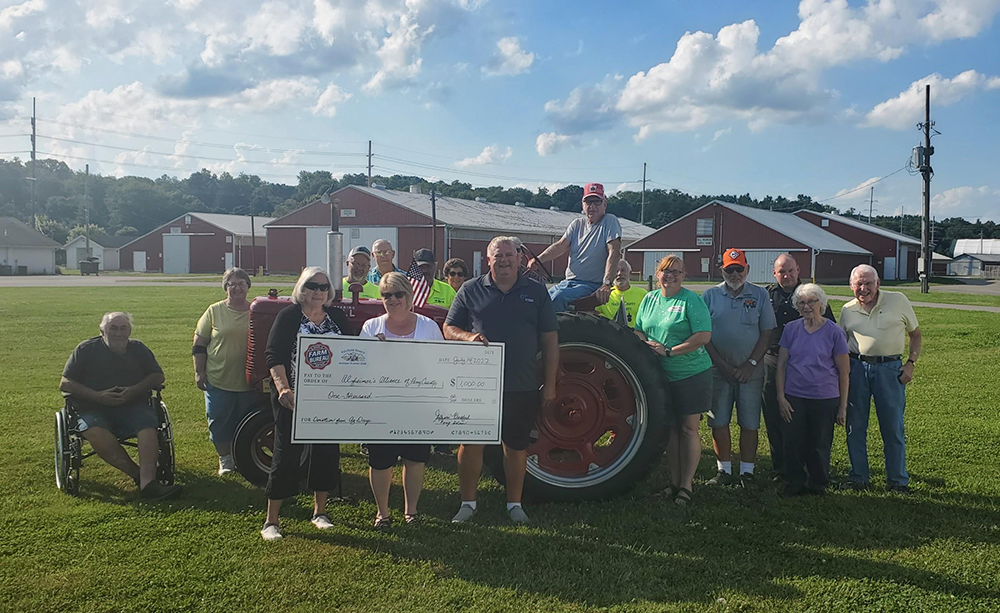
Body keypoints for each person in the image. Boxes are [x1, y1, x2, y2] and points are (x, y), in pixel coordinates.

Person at [445, 236, 559, 524]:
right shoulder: (471, 289)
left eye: (510, 255)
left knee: (516, 446)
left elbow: (550, 341)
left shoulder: (536, 291)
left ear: (520, 258)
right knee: (471, 444)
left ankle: (514, 504)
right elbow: (448, 327)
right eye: (498, 256)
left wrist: (551, 384)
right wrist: (468, 336)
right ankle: (468, 503)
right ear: (488, 259)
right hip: (478, 385)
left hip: (521, 383)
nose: (504, 260)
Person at [261, 266, 354, 541]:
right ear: (302, 288)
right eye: (313, 286)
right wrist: (282, 388)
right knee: (286, 453)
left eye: (323, 287)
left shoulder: (336, 316)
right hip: (293, 397)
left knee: (326, 452)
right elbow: (273, 355)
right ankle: (272, 521)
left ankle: (320, 512)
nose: (318, 292)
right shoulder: (289, 316)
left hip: (329, 398)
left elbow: (351, 351)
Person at [60, 312, 181, 500]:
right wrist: (98, 396)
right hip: (93, 407)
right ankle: (136, 474)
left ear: (129, 331)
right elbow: (65, 383)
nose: (118, 333)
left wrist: (133, 390)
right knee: (93, 430)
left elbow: (158, 376)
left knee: (147, 425)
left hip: (133, 406)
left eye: (123, 328)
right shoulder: (85, 350)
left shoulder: (138, 349)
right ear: (102, 331)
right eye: (112, 328)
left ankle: (148, 484)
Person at [359, 272, 443, 529]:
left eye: (398, 294)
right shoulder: (371, 328)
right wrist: (375, 351)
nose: (392, 299)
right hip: (381, 406)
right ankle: (382, 514)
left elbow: (440, 364)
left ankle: (411, 512)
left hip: (418, 405)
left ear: (409, 296)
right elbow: (359, 367)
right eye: (386, 295)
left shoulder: (429, 326)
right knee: (381, 461)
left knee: (415, 460)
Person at [633, 255, 712, 505]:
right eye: (666, 272)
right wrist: (645, 346)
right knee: (670, 431)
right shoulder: (650, 299)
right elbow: (639, 329)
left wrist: (669, 351)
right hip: (659, 375)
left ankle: (687, 486)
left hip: (690, 373)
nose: (670, 276)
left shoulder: (691, 300)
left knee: (688, 429)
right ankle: (674, 483)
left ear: (683, 276)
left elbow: (703, 336)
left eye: (676, 272)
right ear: (658, 275)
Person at [840, 264, 921, 494]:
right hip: (856, 369)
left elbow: (915, 334)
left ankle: (897, 481)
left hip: (890, 369)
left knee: (892, 427)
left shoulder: (898, 300)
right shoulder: (847, 309)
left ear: (878, 284)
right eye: (858, 284)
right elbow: (839, 343)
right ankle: (859, 478)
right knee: (855, 426)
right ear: (851, 286)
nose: (863, 288)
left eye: (868, 283)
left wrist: (910, 363)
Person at [702, 249, 776, 488]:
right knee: (719, 422)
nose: (734, 274)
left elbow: (767, 333)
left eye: (739, 269)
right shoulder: (709, 296)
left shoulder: (760, 294)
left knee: (749, 422)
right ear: (721, 270)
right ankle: (724, 470)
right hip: (718, 372)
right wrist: (721, 365)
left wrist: (751, 364)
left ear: (747, 269)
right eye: (729, 269)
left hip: (751, 374)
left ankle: (747, 472)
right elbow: (704, 336)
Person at [762, 254, 836, 483]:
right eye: (781, 272)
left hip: (805, 362)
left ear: (798, 270)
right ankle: (781, 468)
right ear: (774, 274)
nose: (787, 275)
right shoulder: (766, 296)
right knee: (774, 415)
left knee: (802, 416)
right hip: (773, 360)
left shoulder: (810, 294)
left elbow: (829, 326)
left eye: (791, 271)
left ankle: (806, 465)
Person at [775, 283, 849, 496]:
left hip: (824, 397)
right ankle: (794, 481)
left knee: (819, 442)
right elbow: (781, 365)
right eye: (801, 303)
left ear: (821, 304)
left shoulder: (834, 332)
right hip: (794, 395)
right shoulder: (791, 329)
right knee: (792, 441)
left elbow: (844, 372)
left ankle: (818, 483)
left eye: (811, 302)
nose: (806, 307)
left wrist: (842, 407)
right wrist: (781, 397)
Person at [193, 267, 257, 476]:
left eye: (241, 283)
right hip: (219, 377)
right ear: (225, 288)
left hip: (249, 380)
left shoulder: (257, 310)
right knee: (219, 419)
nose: (237, 288)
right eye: (232, 284)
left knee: (246, 422)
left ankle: (243, 457)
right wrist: (199, 372)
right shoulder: (214, 311)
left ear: (248, 286)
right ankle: (225, 459)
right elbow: (199, 344)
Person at [527, 182, 622, 312]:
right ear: (583, 204)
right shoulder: (577, 224)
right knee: (541, 298)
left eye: (597, 202)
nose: (592, 206)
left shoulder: (610, 221)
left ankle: (551, 332)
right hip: (569, 282)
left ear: (604, 204)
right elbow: (560, 246)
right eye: (588, 202)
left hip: (591, 285)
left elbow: (614, 253)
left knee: (558, 299)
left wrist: (606, 284)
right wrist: (537, 260)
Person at [595, 259, 648, 328]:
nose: (619, 273)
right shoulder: (604, 294)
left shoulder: (642, 294)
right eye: (616, 271)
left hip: (634, 335)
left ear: (629, 273)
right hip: (610, 335)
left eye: (623, 270)